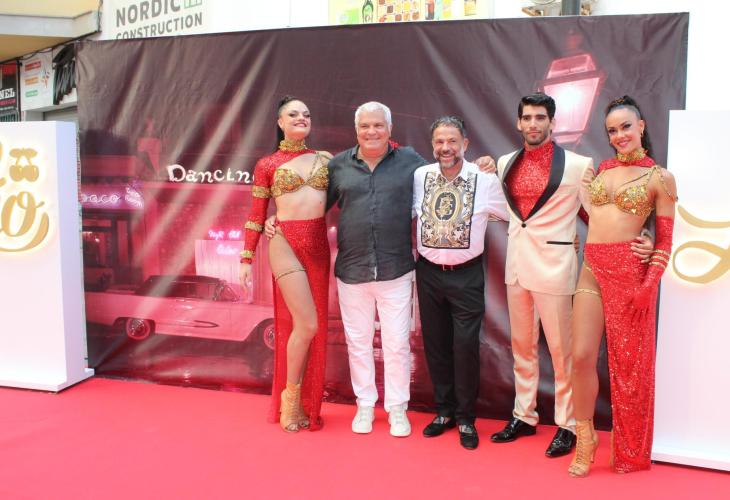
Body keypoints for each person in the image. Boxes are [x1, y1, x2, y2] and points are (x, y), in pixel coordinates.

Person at [489, 93, 653, 458]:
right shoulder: (504, 162)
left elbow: (599, 216)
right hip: (516, 266)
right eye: (527, 118)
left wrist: (642, 236)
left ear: (552, 122)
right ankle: (524, 415)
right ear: (518, 123)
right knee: (521, 348)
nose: (533, 124)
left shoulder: (579, 166)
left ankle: (567, 424)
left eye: (540, 118)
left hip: (555, 267)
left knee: (563, 353)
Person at [568, 96, 677, 476]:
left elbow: (665, 242)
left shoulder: (660, 178)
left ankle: (629, 448)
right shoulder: (603, 170)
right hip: (592, 266)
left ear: (641, 126)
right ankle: (585, 438)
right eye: (612, 130)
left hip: (630, 273)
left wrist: (648, 285)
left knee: (629, 366)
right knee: (581, 356)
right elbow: (598, 217)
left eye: (626, 127)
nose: (619, 135)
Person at [327, 101, 428, 437]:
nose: (371, 131)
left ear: (390, 129)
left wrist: (479, 167)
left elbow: (443, 180)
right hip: (351, 270)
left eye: (378, 125)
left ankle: (398, 408)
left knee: (397, 344)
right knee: (357, 343)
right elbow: (314, 205)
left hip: (395, 268)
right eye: (365, 126)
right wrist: (275, 218)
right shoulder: (338, 165)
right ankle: (365, 405)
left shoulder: (410, 161)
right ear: (356, 130)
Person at [413, 116, 508, 450]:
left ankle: (466, 417)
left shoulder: (484, 179)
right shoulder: (420, 176)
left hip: (466, 274)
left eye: (452, 141)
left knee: (465, 347)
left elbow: (517, 215)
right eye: (439, 141)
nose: (446, 148)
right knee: (435, 344)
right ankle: (444, 412)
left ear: (465, 144)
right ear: (432, 145)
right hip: (427, 273)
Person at [239, 96, 332, 432]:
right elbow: (256, 215)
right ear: (280, 122)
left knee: (312, 329)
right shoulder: (267, 164)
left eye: (306, 114)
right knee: (306, 324)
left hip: (318, 247)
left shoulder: (325, 159)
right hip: (284, 243)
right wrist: (246, 257)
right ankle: (290, 400)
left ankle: (307, 402)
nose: (301, 118)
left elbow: (356, 175)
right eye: (293, 114)